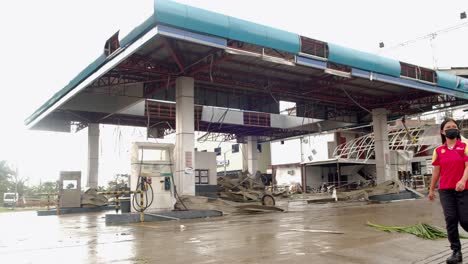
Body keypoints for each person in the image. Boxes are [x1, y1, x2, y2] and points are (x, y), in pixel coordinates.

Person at [429, 118, 468, 264]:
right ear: (442, 131)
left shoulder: (464, 146)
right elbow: (436, 172)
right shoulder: (438, 151)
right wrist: (431, 189)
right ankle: (456, 252)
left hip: (464, 189)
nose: (452, 128)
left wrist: (463, 180)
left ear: (458, 130)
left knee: (465, 220)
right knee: (451, 220)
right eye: (448, 126)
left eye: (454, 126)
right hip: (445, 190)